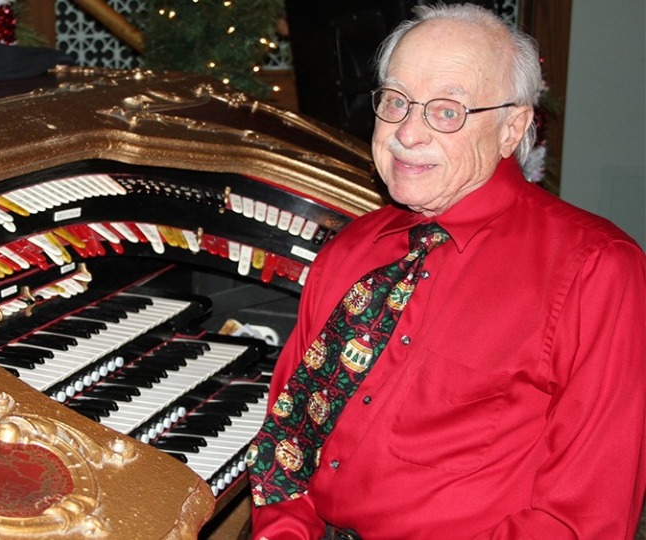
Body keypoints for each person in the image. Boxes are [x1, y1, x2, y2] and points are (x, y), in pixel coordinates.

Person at [246, 3, 646, 538]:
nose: (407, 133)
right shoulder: (348, 252)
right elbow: (286, 444)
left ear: (512, 129)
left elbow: (580, 519)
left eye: (447, 111)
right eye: (395, 101)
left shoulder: (597, 270)